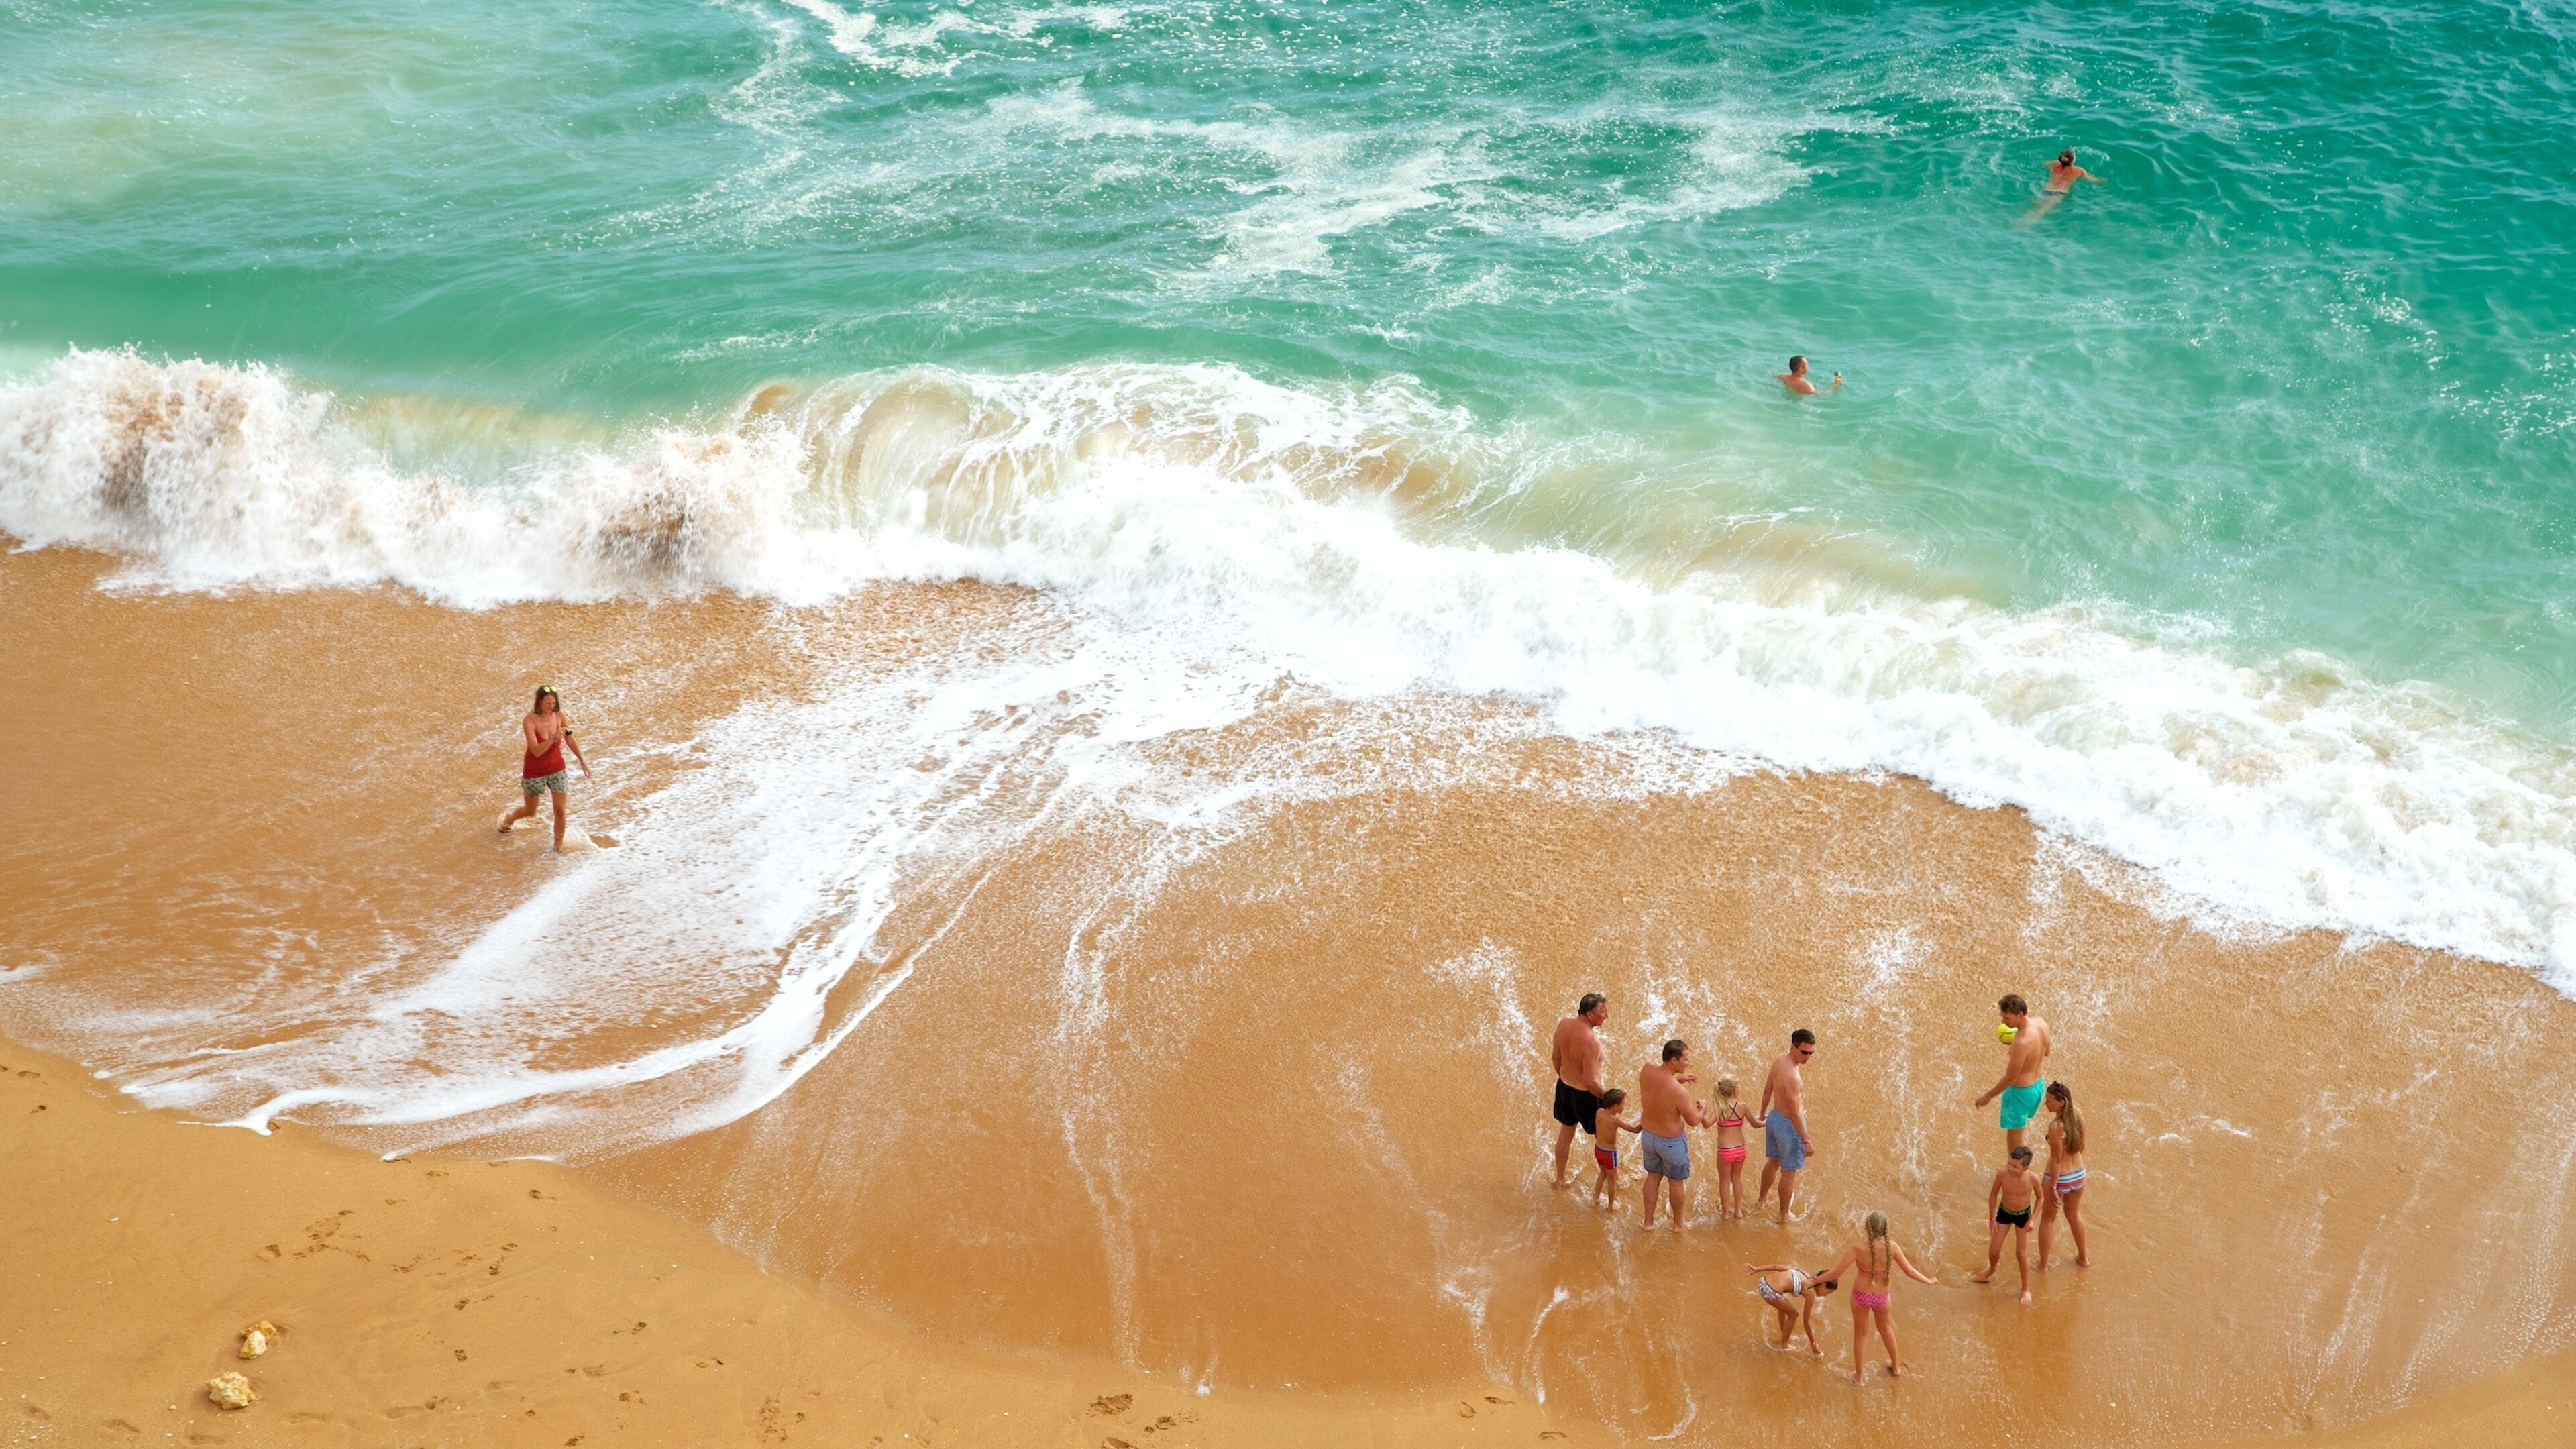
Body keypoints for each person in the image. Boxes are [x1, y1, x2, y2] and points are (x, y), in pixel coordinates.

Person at [1819, 1210, 1939, 1385]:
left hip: (1860, 1296)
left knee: (1860, 1334)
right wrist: (1928, 1281)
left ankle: (1859, 1377)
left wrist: (1813, 1281)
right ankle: (1896, 1367)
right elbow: (1910, 1271)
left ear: (1866, 1228)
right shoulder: (1893, 1248)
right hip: (1882, 1298)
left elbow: (1836, 1272)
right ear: (1885, 1230)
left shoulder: (1857, 1249)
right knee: (1886, 1329)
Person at [498, 684, 590, 853]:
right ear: (539, 702)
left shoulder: (560, 716)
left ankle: (557, 848)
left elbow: (570, 739)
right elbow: (535, 750)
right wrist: (552, 738)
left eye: (554, 703)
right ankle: (510, 819)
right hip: (535, 772)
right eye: (548, 703)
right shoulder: (529, 721)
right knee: (530, 811)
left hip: (557, 769)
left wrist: (582, 761)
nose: (551, 707)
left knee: (560, 811)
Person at [1637, 1039, 1713, 1230]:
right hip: (1671, 1143)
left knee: (1653, 1177)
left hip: (1648, 1137)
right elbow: (1694, 1121)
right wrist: (1703, 1109)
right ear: (1674, 1060)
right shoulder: (1679, 1092)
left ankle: (1648, 1222)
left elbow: (1662, 1084)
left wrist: (1682, 1078)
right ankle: (1678, 1224)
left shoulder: (1646, 1071)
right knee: (1676, 1183)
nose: (1688, 1062)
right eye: (1686, 1059)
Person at [1973, 993, 2051, 1152]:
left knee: (2015, 1137)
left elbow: (2010, 1078)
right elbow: (2047, 1052)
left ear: (2020, 1015)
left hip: (2020, 1094)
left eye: (2007, 1018)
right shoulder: (2041, 1023)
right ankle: (2019, 1168)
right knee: (2021, 1127)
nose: (2003, 1022)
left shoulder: (2021, 1043)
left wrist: (1987, 1097)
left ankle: (2016, 1173)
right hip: (2037, 1087)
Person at [1754, 1028, 1817, 1224]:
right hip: (1789, 1126)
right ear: (1793, 1047)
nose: (1807, 1057)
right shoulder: (1793, 1077)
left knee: (1773, 1162)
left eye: (1811, 1053)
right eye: (1804, 1052)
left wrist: (1763, 1114)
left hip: (1774, 1118)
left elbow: (1767, 1090)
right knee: (1788, 1173)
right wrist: (1806, 1140)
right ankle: (1783, 1215)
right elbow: (1794, 1114)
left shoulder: (1779, 1061)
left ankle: (1761, 1201)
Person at [1550, 993, 1610, 1188]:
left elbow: (1555, 1059)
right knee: (1603, 1139)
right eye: (1603, 1012)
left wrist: (1566, 1077)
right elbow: (1590, 1082)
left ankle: (1560, 1179)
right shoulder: (1591, 1042)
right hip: (1585, 1095)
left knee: (1565, 1135)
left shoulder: (1564, 1024)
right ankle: (1613, 1178)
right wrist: (1608, 1098)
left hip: (1564, 1087)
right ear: (1590, 1015)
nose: (1606, 1016)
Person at [1971, 1145, 2043, 1303]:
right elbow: (1994, 1194)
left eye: (2015, 1166)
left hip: (2023, 1216)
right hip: (2004, 1213)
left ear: (2026, 1167)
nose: (2010, 1168)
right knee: (1994, 1250)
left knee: (2021, 1254)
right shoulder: (2002, 1174)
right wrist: (1992, 1219)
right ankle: (1992, 1269)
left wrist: (2033, 1220)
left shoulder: (2033, 1179)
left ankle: (2026, 1289)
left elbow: (2040, 1198)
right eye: (2009, 1163)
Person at [2037, 1080, 2092, 1268]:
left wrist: (2052, 1187)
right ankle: (2083, 1258)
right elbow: (2081, 1144)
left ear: (2062, 1102)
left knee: (2048, 1220)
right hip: (2079, 1174)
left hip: (2059, 1178)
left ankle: (2043, 1264)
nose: (2046, 1103)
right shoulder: (2077, 1113)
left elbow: (2057, 1160)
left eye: (2050, 1100)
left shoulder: (2056, 1127)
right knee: (2074, 1215)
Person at [1744, 1261, 1840, 1356]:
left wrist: (1756, 1269)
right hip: (1770, 1292)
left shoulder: (1804, 1273)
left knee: (1784, 1308)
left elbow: (1777, 1266)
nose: (1825, 1296)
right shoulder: (1810, 1293)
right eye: (1827, 1293)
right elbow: (1807, 1322)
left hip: (1763, 1282)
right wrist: (1814, 1344)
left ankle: (1785, 1336)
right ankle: (1784, 1345)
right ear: (1823, 1285)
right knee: (1794, 1315)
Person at [1589, 1089, 1642, 1211]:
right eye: (1624, 1104)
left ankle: (1596, 1198)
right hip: (1609, 1154)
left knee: (1602, 1174)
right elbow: (1635, 1130)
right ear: (1615, 1106)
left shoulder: (1599, 1112)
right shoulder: (1616, 1120)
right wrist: (1644, 1122)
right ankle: (1611, 1205)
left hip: (1598, 1150)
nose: (1625, 1106)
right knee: (1612, 1180)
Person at [1711, 1077, 1752, 1220]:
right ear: (1735, 1090)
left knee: (1724, 1182)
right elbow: (1756, 1123)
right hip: (1740, 1149)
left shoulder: (1720, 1108)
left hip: (1725, 1150)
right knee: (1737, 1179)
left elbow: (1706, 1124)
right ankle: (1739, 1211)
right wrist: (1766, 1121)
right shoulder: (1743, 1106)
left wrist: (1702, 1112)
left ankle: (1726, 1213)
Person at [1777, 355, 1842, 396]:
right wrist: (1835, 386)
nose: (1809, 364)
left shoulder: (1782, 376)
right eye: (1806, 364)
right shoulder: (1806, 385)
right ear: (1801, 369)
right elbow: (1821, 394)